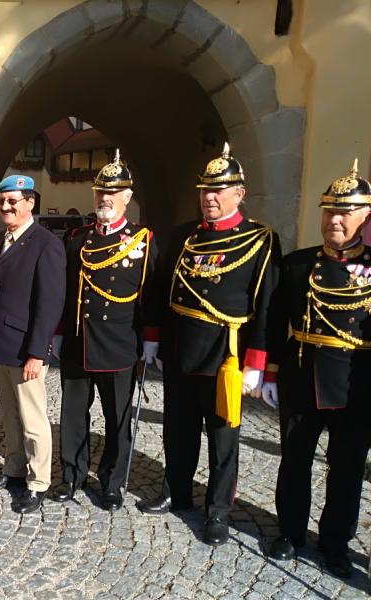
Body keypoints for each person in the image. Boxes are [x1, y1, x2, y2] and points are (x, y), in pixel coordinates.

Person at [137, 143, 281, 546]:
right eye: (205, 190)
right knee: (177, 431)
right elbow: (161, 291)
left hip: (225, 356)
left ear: (240, 193)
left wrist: (258, 362)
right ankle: (177, 491)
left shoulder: (260, 240)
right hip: (182, 350)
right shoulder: (184, 236)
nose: (210, 197)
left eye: (219, 190)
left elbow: (267, 305)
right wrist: (154, 339)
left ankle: (217, 510)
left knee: (222, 439)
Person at [264, 159, 371, 578]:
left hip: (355, 382)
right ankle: (290, 532)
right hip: (302, 377)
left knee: (346, 468)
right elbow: (274, 323)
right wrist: (270, 371)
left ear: (365, 218)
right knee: (295, 461)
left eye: (344, 213)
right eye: (328, 211)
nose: (334, 221)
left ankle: (335, 543)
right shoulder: (295, 265)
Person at [51, 150, 158, 510]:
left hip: (118, 345)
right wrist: (60, 330)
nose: (104, 199)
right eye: (100, 192)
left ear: (127, 198)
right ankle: (71, 475)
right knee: (72, 416)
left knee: (117, 420)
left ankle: (112, 481)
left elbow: (151, 296)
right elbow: (66, 290)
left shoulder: (142, 241)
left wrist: (151, 340)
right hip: (79, 345)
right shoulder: (77, 238)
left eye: (113, 193)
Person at [0, 174, 65, 514]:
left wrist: (37, 353)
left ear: (30, 203)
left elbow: (49, 303)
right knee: (9, 415)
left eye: (14, 200)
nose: (6, 207)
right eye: (2, 201)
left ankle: (38, 480)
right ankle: (13, 469)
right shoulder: (1, 240)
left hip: (25, 348)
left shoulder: (46, 243)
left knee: (33, 419)